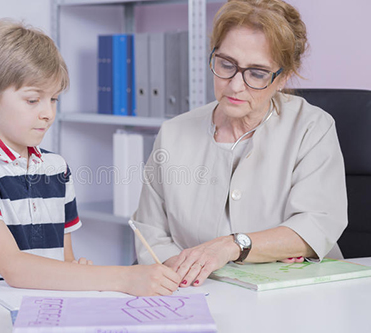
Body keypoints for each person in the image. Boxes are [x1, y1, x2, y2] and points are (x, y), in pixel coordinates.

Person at [0, 19, 180, 296]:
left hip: (43, 311)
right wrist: (122, 278)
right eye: (33, 100)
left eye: (53, 99)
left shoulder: (56, 168)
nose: (48, 113)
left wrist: (78, 271)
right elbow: (14, 268)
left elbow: (63, 260)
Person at [132, 0, 348, 288]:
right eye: (226, 64)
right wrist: (192, 275)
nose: (235, 85)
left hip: (298, 293)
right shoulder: (173, 133)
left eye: (257, 73)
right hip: (200, 293)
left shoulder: (312, 127)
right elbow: (150, 235)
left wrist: (231, 246)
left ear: (282, 77)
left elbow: (316, 226)